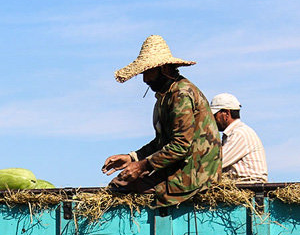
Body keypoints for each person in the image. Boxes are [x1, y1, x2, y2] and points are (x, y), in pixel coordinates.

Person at [102, 35, 221, 207]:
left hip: (195, 175)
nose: (145, 80)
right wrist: (133, 158)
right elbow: (163, 142)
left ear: (164, 68)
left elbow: (180, 145)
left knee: (121, 185)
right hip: (184, 168)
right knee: (125, 179)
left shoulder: (180, 95)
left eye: (148, 72)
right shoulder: (167, 95)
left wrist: (142, 166)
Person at [209, 92, 268, 183]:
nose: (212, 120)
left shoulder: (240, 133)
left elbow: (216, 163)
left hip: (248, 186)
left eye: (214, 115)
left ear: (226, 114)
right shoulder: (232, 133)